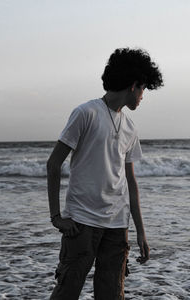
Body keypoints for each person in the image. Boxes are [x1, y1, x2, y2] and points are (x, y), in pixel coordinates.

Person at [47, 47, 163, 300]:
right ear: (133, 85)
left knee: (112, 295)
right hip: (81, 223)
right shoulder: (85, 113)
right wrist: (56, 216)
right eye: (143, 89)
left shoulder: (130, 127)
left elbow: (130, 182)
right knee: (66, 291)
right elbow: (54, 164)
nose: (143, 96)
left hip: (117, 225)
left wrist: (140, 231)